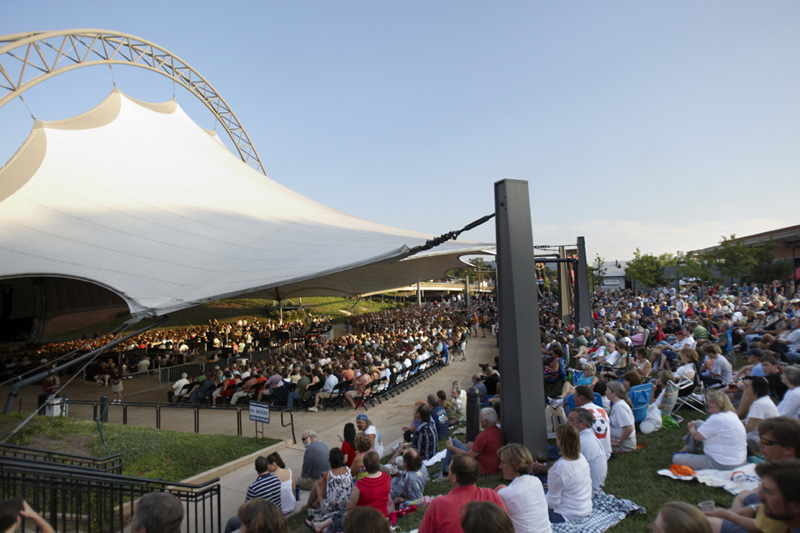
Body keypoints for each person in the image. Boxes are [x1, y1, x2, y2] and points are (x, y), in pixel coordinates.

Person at [418, 455, 506, 533]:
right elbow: (507, 526)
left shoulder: (438, 504)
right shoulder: (490, 494)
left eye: (450, 469)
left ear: (455, 477)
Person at [673, 390, 747, 470]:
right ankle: (687, 450)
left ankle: (685, 454)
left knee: (676, 458)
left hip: (723, 464)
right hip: (740, 461)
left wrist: (691, 428)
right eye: (708, 401)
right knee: (698, 423)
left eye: (712, 402)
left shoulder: (717, 418)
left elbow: (697, 436)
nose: (708, 404)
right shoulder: (731, 415)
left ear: (720, 403)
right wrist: (694, 426)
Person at [494, 443, 551, 533]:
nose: (500, 466)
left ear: (515, 465)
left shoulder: (506, 494)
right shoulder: (536, 481)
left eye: (503, 463)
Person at [546, 425, 592, 523]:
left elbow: (552, 502)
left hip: (564, 515)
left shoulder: (559, 469)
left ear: (560, 441)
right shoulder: (581, 459)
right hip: (585, 509)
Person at [440, 407, 503, 477]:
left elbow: (469, 455)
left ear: (485, 421)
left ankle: (444, 473)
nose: (480, 420)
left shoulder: (483, 436)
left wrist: (451, 448)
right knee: (455, 442)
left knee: (453, 442)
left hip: (481, 469)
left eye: (481, 418)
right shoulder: (498, 431)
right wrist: (465, 446)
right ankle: (444, 471)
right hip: (494, 466)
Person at [305, 448, 353, 526]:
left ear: (330, 460)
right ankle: (315, 504)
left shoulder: (327, 475)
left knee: (317, 484)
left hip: (330, 509)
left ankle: (309, 505)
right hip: (345, 505)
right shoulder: (348, 470)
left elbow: (324, 495)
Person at [568, 407, 607, 496]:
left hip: (586, 493)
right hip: (592, 488)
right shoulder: (587, 437)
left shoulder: (581, 442)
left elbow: (567, 471)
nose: (567, 422)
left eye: (571, 420)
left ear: (582, 424)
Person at [736, 376, 779, 451]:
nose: (744, 388)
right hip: (761, 437)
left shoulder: (759, 404)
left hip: (759, 441)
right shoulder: (763, 400)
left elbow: (749, 427)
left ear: (756, 389)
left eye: (747, 386)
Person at [348, 451, 391, 516]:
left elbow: (351, 507)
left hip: (365, 519)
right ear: (378, 464)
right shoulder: (385, 477)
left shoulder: (360, 484)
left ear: (365, 466)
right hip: (382, 516)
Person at [606, 381, 636, 453]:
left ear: (614, 393)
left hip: (625, 444)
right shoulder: (617, 405)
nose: (605, 392)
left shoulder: (620, 407)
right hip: (621, 440)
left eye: (607, 390)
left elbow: (629, 428)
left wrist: (618, 442)